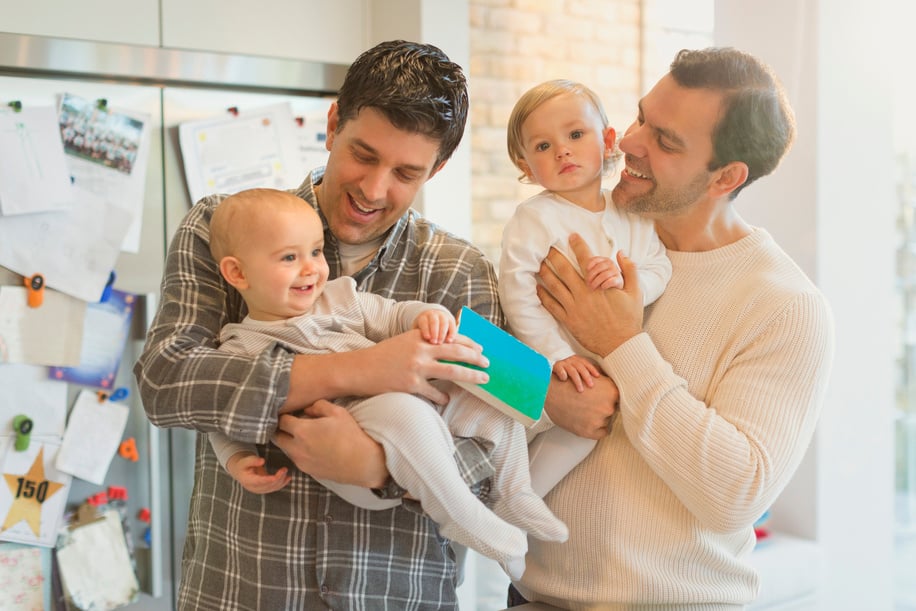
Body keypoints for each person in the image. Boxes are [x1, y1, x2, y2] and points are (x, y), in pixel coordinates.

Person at [134, 40, 529, 610]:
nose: (373, 189)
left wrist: (381, 467)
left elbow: (492, 449)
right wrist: (356, 369)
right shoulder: (223, 226)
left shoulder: (460, 270)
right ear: (332, 124)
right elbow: (166, 381)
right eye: (363, 155)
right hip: (242, 590)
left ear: (437, 170)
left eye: (406, 173)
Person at [509, 47, 836, 608]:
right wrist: (545, 395)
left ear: (726, 176)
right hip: (531, 597)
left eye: (664, 140)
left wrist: (622, 344)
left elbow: (735, 495)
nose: (629, 142)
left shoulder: (785, 306)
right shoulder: (570, 229)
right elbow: (486, 368)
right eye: (641, 117)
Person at [205, 187, 567, 578]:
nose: (311, 268)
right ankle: (461, 516)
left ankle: (513, 493)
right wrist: (236, 457)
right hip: (345, 437)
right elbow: (220, 416)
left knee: (481, 391)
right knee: (406, 409)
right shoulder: (239, 346)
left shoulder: (338, 298)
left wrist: (425, 315)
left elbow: (393, 315)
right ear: (237, 273)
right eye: (290, 258)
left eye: (315, 252)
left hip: (410, 416)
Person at [499, 79, 671, 496]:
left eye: (576, 135)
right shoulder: (534, 218)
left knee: (579, 436)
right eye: (543, 146)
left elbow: (659, 266)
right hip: (550, 366)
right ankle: (492, 498)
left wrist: (630, 285)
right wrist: (554, 354)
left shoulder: (631, 214)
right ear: (526, 166)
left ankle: (518, 505)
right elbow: (517, 292)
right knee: (505, 435)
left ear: (608, 141)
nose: (562, 151)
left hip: (605, 371)